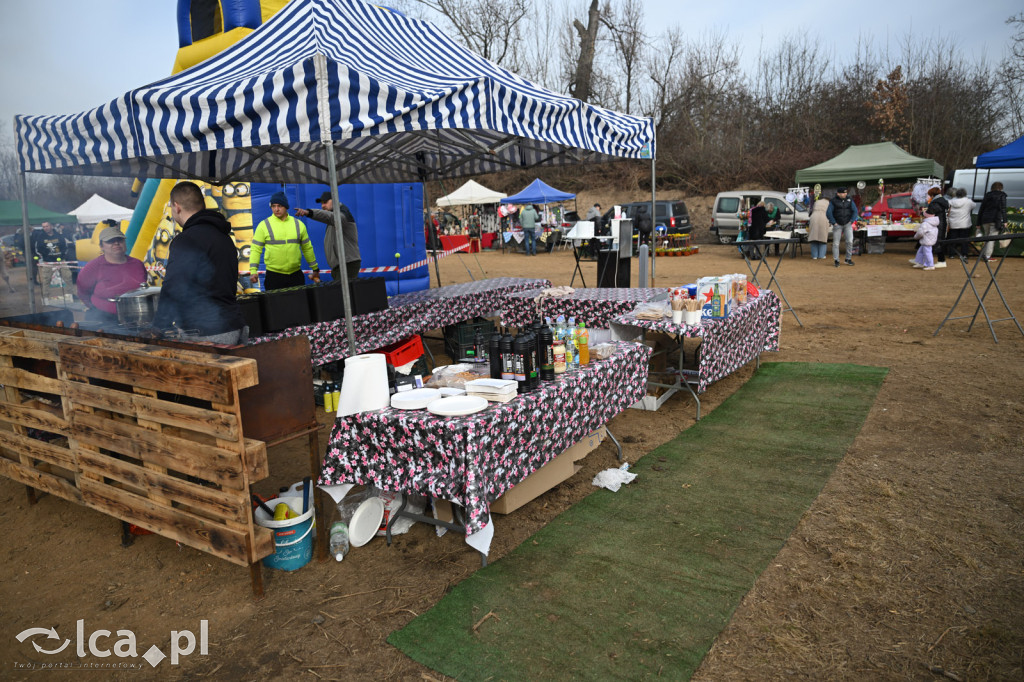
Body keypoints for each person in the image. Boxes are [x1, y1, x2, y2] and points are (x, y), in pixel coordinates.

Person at [152, 181, 247, 344]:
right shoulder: (223, 237)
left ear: (176, 206)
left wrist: (160, 325)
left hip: (206, 331)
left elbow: (174, 286)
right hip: (234, 325)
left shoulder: (186, 240)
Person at [76, 225, 147, 324]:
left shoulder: (137, 264)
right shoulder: (93, 267)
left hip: (136, 316)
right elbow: (82, 291)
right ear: (101, 246)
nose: (116, 243)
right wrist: (95, 308)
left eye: (120, 240)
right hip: (104, 317)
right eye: (110, 241)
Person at [249, 191, 320, 290]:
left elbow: (307, 248)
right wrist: (253, 271)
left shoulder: (298, 225)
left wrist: (315, 268)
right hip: (273, 276)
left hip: (295, 275)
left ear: (286, 207)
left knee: (298, 301)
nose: (276, 209)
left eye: (279, 206)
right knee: (275, 301)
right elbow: (255, 249)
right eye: (273, 206)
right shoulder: (263, 225)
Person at [295, 191, 361, 281]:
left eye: (325, 202)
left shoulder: (342, 213)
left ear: (334, 200)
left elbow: (331, 217)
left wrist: (309, 212)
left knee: (345, 290)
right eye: (321, 203)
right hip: (342, 265)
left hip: (347, 264)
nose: (323, 206)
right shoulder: (333, 217)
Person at [826, 187, 859, 267]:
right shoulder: (833, 201)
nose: (845, 194)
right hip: (837, 224)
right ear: (838, 193)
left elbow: (855, 211)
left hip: (847, 224)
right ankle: (836, 260)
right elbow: (828, 212)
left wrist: (852, 220)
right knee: (836, 243)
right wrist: (834, 222)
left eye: (845, 193)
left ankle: (848, 259)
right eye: (843, 193)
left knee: (850, 241)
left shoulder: (849, 200)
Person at [978, 181, 1008, 263]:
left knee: (986, 237)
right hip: (995, 219)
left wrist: (978, 222)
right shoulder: (1002, 195)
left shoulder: (987, 195)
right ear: (1001, 188)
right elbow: (1003, 209)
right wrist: (1005, 221)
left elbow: (981, 209)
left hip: (985, 219)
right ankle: (988, 256)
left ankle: (984, 254)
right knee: (992, 239)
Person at [946, 188, 975, 260]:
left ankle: (951, 254)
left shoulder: (950, 202)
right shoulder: (968, 201)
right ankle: (964, 254)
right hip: (965, 224)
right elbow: (974, 206)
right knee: (964, 240)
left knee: (952, 240)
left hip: (953, 224)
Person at [925, 186, 949, 267]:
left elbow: (930, 213)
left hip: (939, 224)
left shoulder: (935, 203)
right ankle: (940, 260)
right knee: (940, 241)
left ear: (932, 195)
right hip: (944, 223)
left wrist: (923, 213)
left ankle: (941, 261)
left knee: (938, 241)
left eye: (930, 195)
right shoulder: (943, 201)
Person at [807, 194, 832, 260]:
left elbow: (810, 210)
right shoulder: (829, 203)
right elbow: (830, 212)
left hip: (814, 217)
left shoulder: (816, 202)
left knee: (814, 237)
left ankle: (814, 256)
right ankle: (821, 255)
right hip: (824, 217)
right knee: (823, 237)